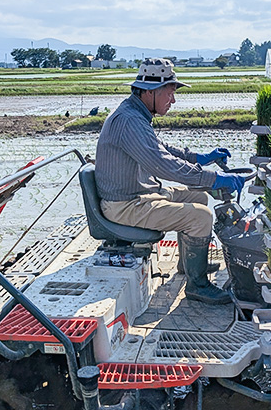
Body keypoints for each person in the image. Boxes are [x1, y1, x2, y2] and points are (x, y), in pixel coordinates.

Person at [94, 58, 245, 305]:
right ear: (150, 92)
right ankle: (197, 286)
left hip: (140, 193)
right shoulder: (130, 120)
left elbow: (163, 149)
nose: (172, 101)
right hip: (125, 205)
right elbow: (162, 165)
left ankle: (189, 264)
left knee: (199, 197)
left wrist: (199, 158)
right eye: (170, 93)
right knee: (201, 217)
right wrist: (214, 178)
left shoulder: (135, 114)